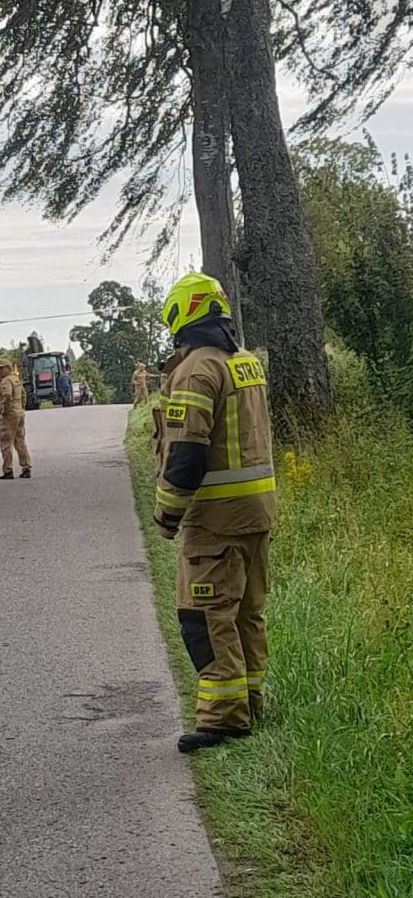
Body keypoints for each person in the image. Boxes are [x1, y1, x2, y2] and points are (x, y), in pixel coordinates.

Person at [153, 272, 276, 753]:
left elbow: (186, 455)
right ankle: (250, 699)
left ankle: (225, 717)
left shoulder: (196, 370)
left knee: (204, 614)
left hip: (216, 520)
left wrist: (167, 514)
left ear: (182, 315)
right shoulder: (245, 362)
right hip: (257, 513)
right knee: (247, 611)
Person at [0, 358, 32, 479]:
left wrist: (2, 411)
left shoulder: (6, 381)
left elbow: (6, 396)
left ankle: (8, 470)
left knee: (6, 442)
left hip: (10, 414)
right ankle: (26, 467)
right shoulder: (16, 380)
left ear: (8, 368)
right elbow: (23, 395)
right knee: (20, 440)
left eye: (1, 368)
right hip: (19, 412)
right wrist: (22, 408)